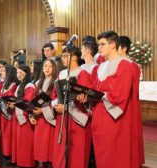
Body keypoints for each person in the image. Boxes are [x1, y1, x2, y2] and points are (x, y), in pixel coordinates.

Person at [77, 31, 134, 168]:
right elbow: (94, 88)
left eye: (102, 44)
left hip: (112, 118)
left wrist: (99, 95)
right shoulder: (101, 66)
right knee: (101, 156)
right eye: (99, 44)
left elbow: (120, 95)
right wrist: (85, 96)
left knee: (113, 155)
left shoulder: (124, 65)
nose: (99, 48)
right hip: (99, 117)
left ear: (113, 44)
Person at [52, 46, 92, 168]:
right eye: (62, 56)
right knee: (61, 148)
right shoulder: (62, 73)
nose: (62, 59)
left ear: (74, 57)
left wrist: (67, 107)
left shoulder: (82, 73)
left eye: (65, 56)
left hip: (76, 117)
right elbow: (55, 93)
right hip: (62, 115)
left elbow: (85, 97)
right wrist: (56, 104)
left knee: (77, 152)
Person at [118, 35, 144, 166]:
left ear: (123, 48)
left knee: (128, 133)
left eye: (117, 46)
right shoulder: (131, 64)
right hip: (130, 101)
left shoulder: (128, 65)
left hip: (128, 102)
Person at [31, 59, 58, 167]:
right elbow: (33, 101)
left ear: (54, 69)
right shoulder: (38, 83)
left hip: (50, 119)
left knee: (49, 146)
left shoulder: (56, 82)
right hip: (39, 119)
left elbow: (57, 100)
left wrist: (43, 110)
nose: (47, 68)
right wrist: (32, 114)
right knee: (41, 147)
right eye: (45, 66)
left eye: (50, 66)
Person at [8, 65, 35, 167]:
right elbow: (15, 99)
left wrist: (15, 104)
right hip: (17, 116)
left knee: (25, 142)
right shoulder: (19, 86)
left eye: (20, 72)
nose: (18, 75)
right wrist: (10, 104)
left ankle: (27, 163)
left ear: (26, 73)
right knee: (18, 141)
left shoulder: (30, 86)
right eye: (17, 73)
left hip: (25, 117)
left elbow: (28, 101)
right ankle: (20, 162)